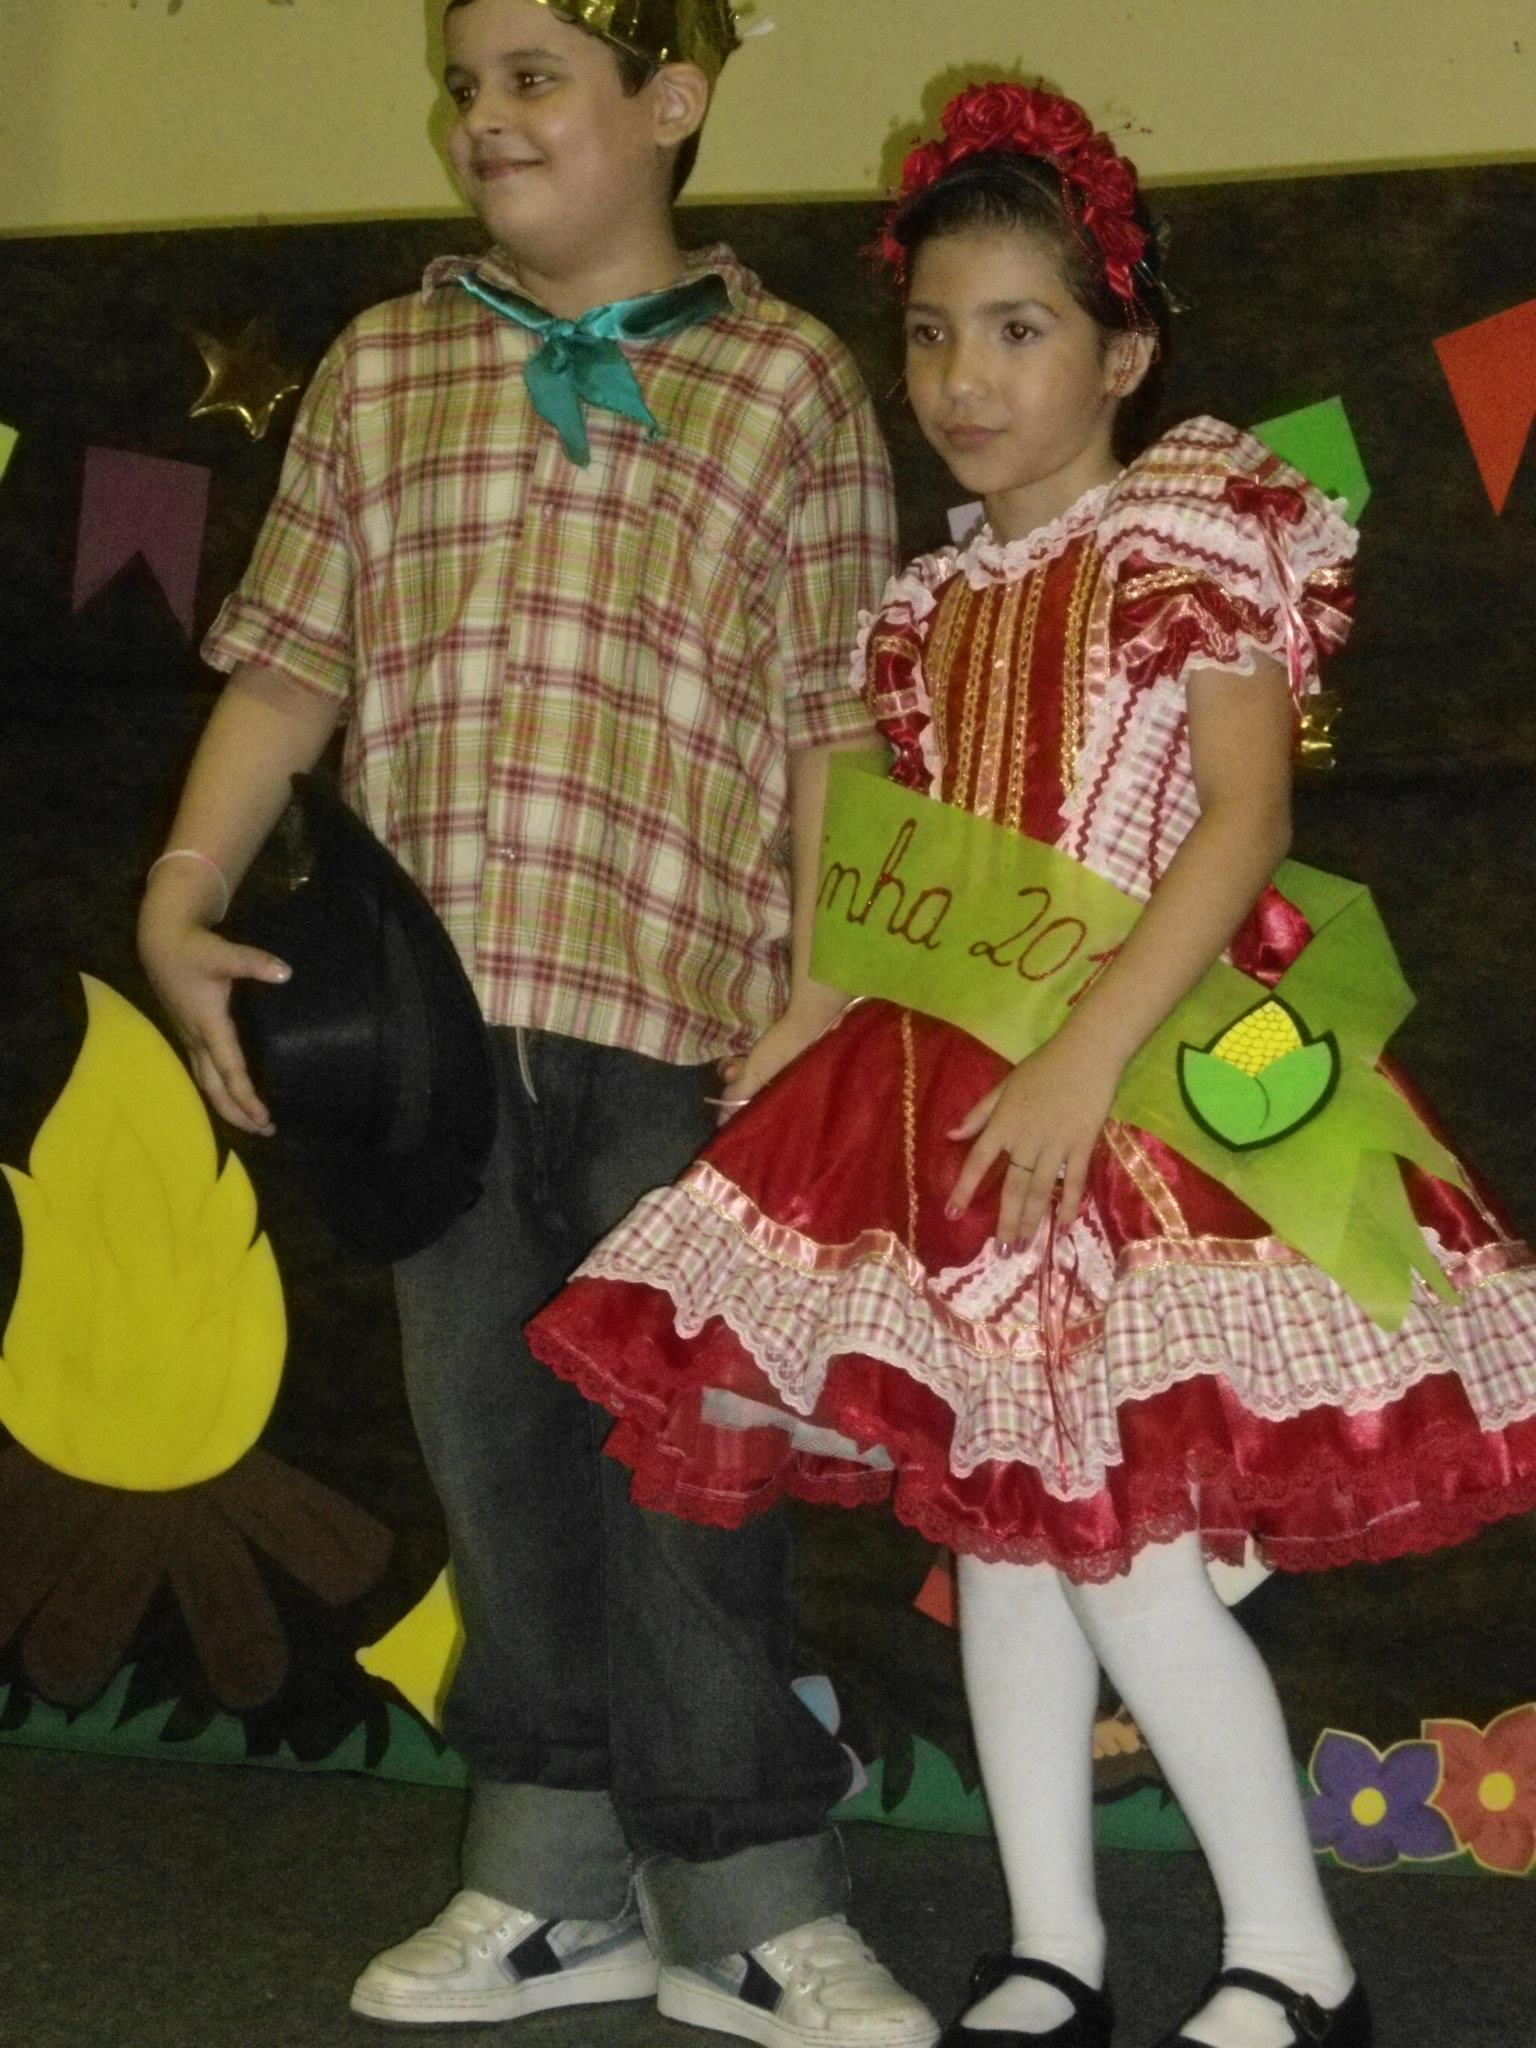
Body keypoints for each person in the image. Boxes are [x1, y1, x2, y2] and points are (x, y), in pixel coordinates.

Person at [528, 80, 1536, 2048]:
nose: (965, 381)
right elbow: (915, 869)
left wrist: (1086, 1054)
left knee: (1129, 1557)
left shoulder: (1192, 531)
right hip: (953, 1106)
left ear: (1124, 351)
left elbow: (1240, 821)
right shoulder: (934, 602)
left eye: (1020, 330)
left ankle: (1297, 1957)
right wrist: (816, 1002)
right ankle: (1053, 1946)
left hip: (1153, 1089)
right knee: (999, 1544)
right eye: (931, 333)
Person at [136, 4, 943, 2043]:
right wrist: (181, 890)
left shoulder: (785, 380)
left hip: (693, 1026)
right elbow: (290, 669)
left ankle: (754, 1893)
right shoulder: (384, 367)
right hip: (428, 1050)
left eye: (533, 77)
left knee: (695, 1480)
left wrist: (828, 978)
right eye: (465, 81)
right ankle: (551, 1877)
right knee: (489, 1455)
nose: (484, 116)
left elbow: (835, 723)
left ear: (670, 102)